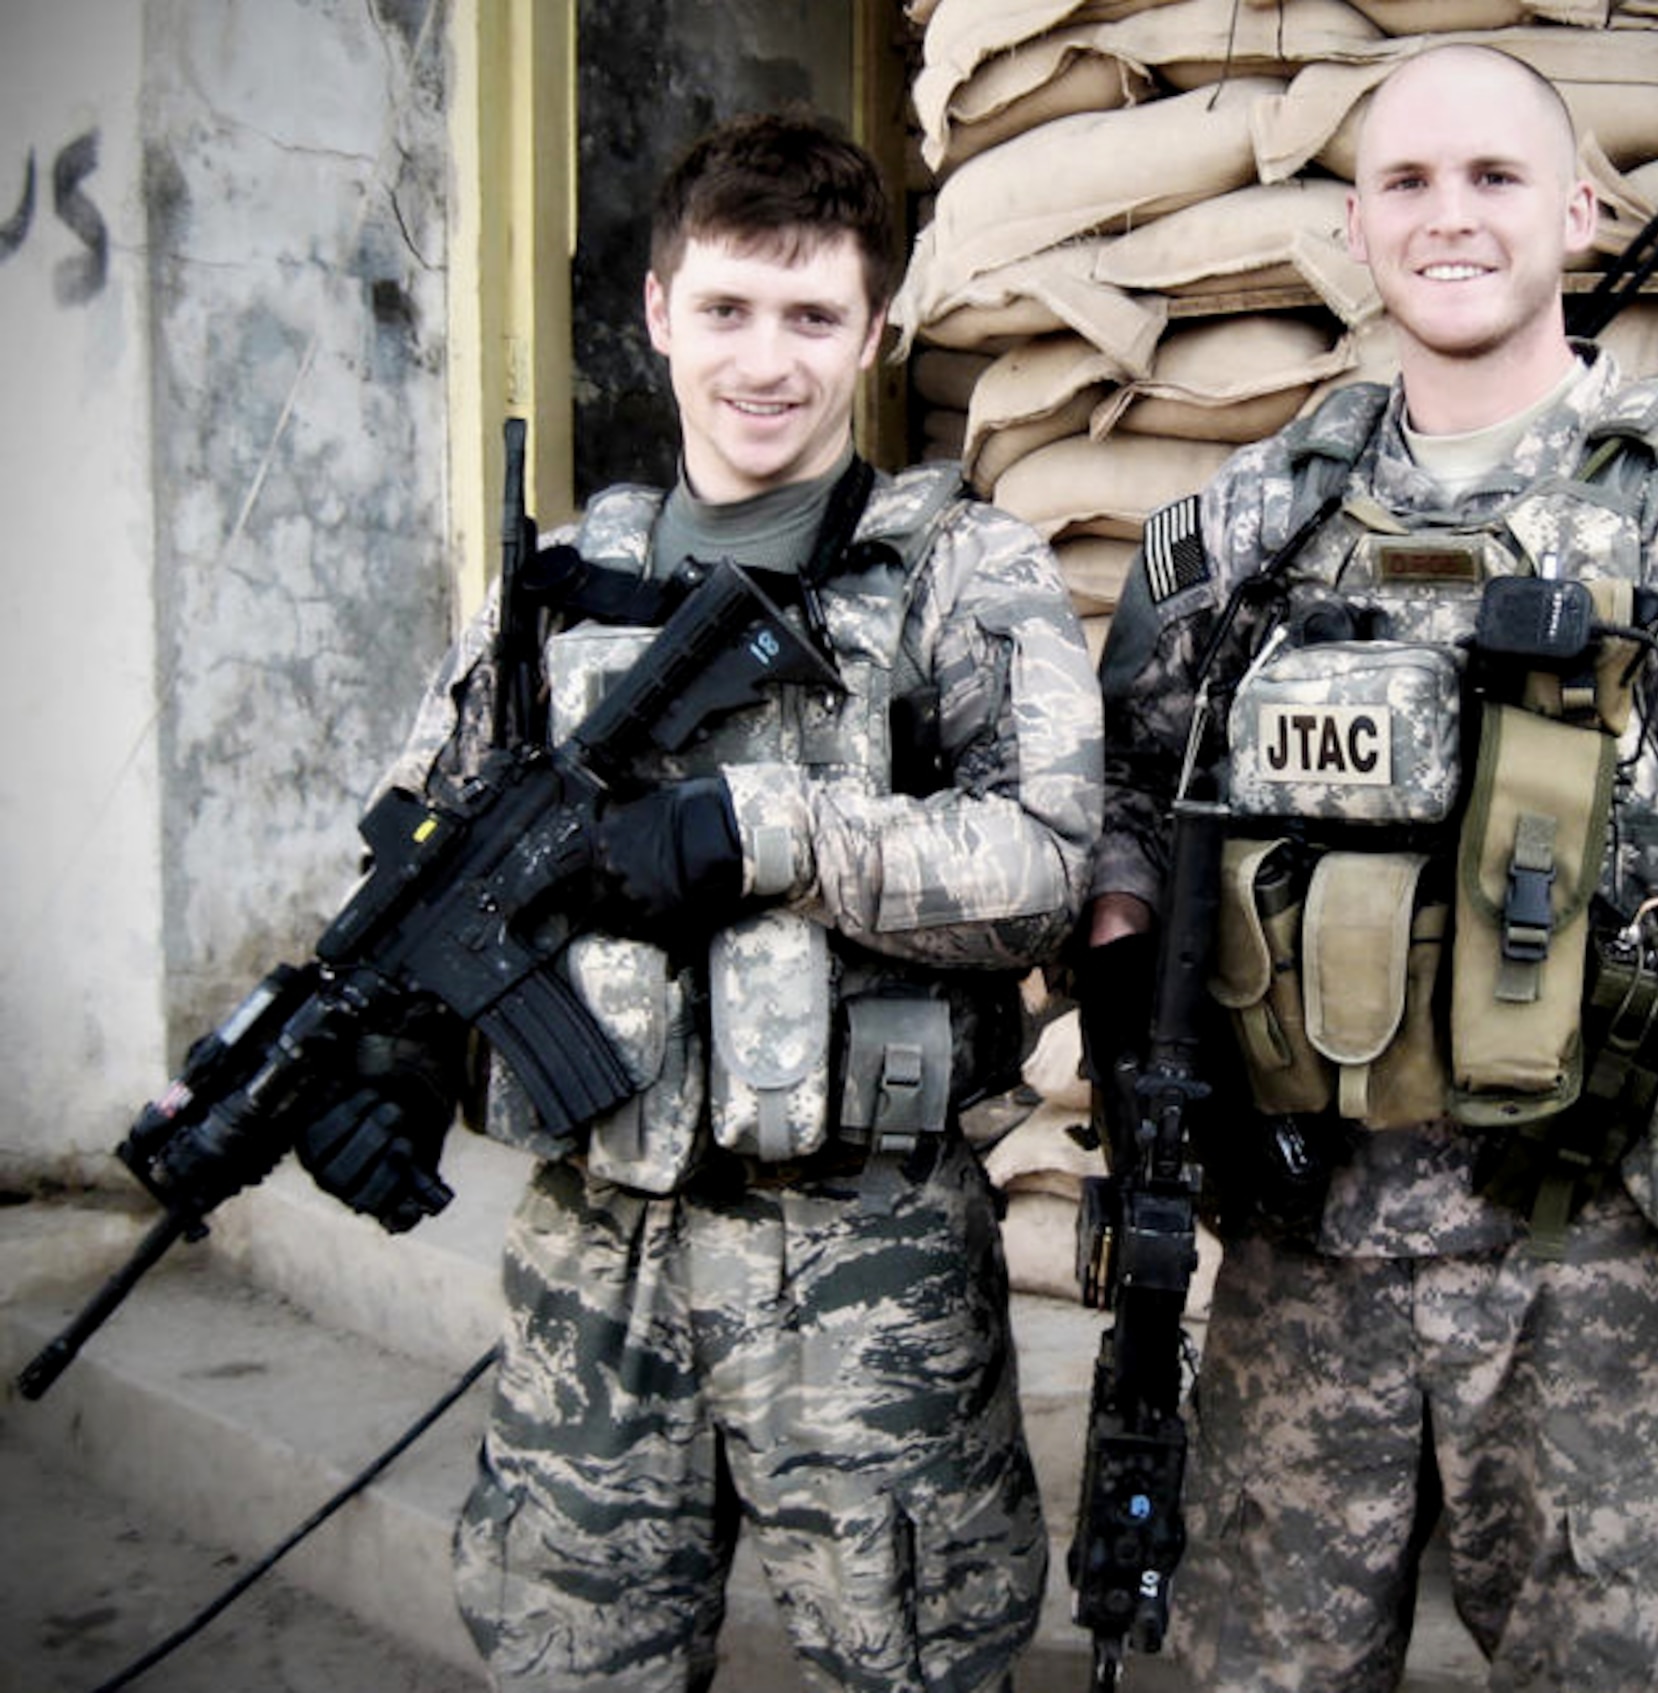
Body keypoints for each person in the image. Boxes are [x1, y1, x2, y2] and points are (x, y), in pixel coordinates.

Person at [1081, 43, 1658, 1693]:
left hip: (1586, 1279)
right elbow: (1132, 786)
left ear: (1578, 206)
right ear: (1355, 226)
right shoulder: (1254, 525)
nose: (1450, 218)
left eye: (1493, 177)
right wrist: (1135, 982)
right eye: (1407, 183)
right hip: (1299, 1268)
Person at [306, 110, 1102, 1692]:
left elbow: (1049, 864)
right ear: (657, 312)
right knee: (569, 1655)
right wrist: (389, 1050)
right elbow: (420, 850)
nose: (766, 360)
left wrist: (767, 832)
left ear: (876, 335)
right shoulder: (548, 587)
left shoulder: (959, 572)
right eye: (727, 309)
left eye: (813, 318)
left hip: (868, 1261)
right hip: (592, 1255)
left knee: (916, 1662)